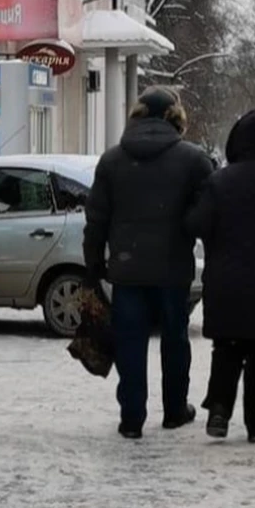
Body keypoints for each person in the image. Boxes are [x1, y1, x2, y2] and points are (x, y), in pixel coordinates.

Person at [83, 86, 214, 439]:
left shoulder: (112, 160)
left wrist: (93, 262)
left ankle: (132, 417)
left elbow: (96, 219)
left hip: (127, 269)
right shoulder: (193, 159)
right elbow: (208, 214)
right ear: (177, 118)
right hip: (173, 269)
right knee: (175, 340)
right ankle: (174, 410)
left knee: (130, 342)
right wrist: (187, 228)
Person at [187, 109, 255, 443]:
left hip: (226, 282)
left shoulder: (219, 181)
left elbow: (196, 224)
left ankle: (220, 408)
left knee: (228, 349)